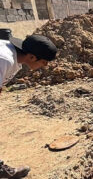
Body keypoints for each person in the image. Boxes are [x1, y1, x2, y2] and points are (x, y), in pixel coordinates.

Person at [0, 29, 57, 178]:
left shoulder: (15, 57)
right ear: (32, 57)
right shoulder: (4, 59)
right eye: (44, 62)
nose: (44, 66)